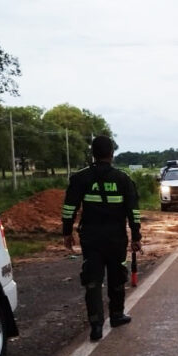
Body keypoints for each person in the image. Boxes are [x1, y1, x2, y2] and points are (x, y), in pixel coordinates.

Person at [62, 136, 143, 341]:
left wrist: (66, 232)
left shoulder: (80, 178)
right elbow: (133, 211)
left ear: (93, 153)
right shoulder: (123, 179)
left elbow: (69, 208)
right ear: (112, 154)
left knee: (93, 281)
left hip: (91, 239)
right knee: (117, 277)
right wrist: (136, 236)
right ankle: (116, 316)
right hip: (116, 239)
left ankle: (96, 326)